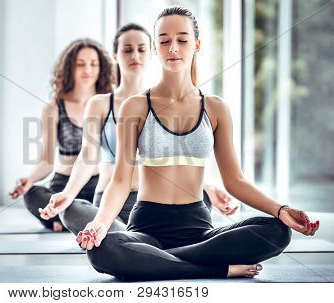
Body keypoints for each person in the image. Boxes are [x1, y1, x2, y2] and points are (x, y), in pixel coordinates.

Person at [76, 7, 320, 280]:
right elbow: (120, 182)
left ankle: (159, 263)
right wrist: (99, 224)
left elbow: (235, 180)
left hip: (199, 229)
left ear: (196, 44)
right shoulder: (136, 107)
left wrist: (281, 210)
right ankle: (212, 267)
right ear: (156, 47)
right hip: (147, 228)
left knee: (276, 232)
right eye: (165, 40)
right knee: (103, 250)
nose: (173, 48)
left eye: (182, 40)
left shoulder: (215, 108)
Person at [39, 24, 237, 236]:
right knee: (72, 211)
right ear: (115, 55)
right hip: (113, 202)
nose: (135, 55)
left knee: (199, 198)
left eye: (141, 49)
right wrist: (68, 194)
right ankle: (134, 239)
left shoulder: (162, 102)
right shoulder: (100, 103)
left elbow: (177, 159)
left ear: (152, 51)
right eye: (127, 49)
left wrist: (208, 185)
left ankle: (137, 244)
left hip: (153, 205)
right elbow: (87, 156)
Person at [9, 39, 113, 232]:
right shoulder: (54, 108)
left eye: (93, 64)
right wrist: (29, 180)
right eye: (80, 64)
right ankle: (71, 218)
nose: (87, 70)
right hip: (63, 185)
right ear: (70, 68)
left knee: (115, 200)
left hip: (100, 185)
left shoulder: (109, 103)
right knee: (33, 195)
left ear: (102, 68)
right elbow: (46, 161)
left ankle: (66, 219)